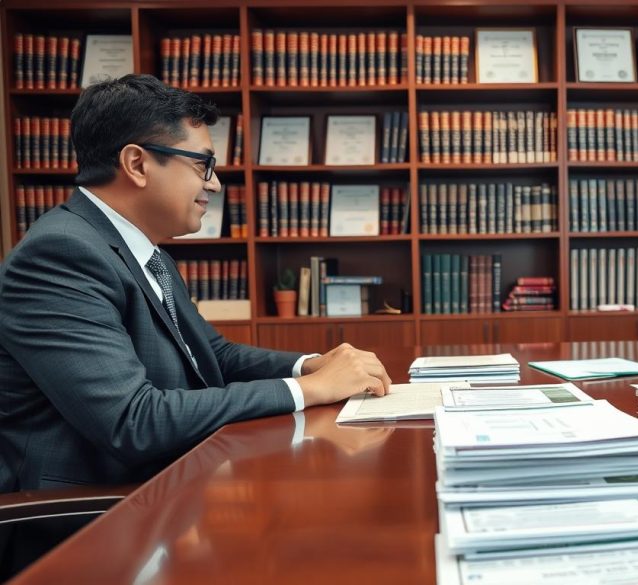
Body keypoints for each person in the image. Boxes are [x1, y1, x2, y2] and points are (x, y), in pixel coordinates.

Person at [0, 74, 391, 574]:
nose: (214, 182)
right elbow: (132, 421)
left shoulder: (142, 249)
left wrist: (310, 364)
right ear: (137, 163)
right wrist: (309, 390)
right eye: (203, 163)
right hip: (88, 528)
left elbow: (213, 355)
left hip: (162, 496)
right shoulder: (62, 255)